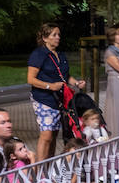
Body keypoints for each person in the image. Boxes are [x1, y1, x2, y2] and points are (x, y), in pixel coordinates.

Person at [26, 23, 86, 162]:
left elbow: (65, 76)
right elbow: (30, 79)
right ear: (45, 38)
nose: (58, 37)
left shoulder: (60, 54)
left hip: (59, 100)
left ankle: (49, 165)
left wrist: (76, 83)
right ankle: (40, 170)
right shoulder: (38, 54)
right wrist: (50, 86)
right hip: (43, 99)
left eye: (58, 34)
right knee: (46, 135)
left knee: (53, 135)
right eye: (54, 35)